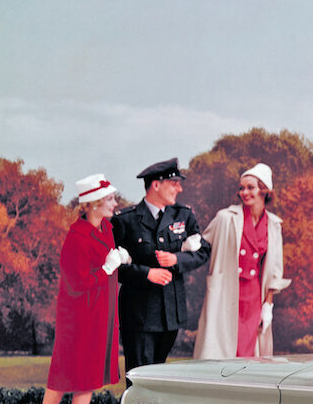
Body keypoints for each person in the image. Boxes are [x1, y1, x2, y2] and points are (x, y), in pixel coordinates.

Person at [24, 174, 129, 404]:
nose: (114, 203)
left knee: (88, 375)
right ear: (93, 204)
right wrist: (107, 268)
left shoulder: (106, 228)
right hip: (77, 318)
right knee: (63, 375)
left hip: (99, 314)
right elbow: (77, 283)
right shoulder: (76, 239)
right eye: (109, 199)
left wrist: (120, 259)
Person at [112, 158, 210, 374]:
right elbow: (112, 268)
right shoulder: (125, 220)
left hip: (171, 313)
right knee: (140, 375)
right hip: (139, 314)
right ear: (156, 185)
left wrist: (177, 260)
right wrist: (147, 273)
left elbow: (203, 251)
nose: (179, 188)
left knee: (160, 375)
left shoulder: (184, 215)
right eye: (174, 183)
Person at [194, 163, 290, 358]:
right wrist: (187, 244)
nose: (244, 192)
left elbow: (275, 271)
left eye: (250, 187)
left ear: (264, 190)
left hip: (254, 296)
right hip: (226, 291)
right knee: (221, 348)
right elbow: (202, 243)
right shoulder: (225, 218)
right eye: (241, 188)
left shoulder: (273, 225)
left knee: (248, 348)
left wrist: (268, 305)